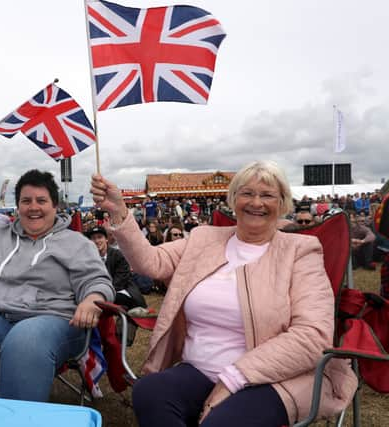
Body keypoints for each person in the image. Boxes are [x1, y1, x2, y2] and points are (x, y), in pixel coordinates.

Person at [91, 160, 357, 427]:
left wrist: (235, 377)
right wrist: (119, 212)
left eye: (267, 195)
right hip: (200, 369)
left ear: (283, 203)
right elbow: (150, 262)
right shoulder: (204, 239)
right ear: (233, 199)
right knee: (150, 392)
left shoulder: (301, 252)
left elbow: (312, 335)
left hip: (273, 379)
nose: (256, 202)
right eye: (247, 193)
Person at [0, 151, 114, 408]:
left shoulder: (75, 242)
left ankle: (14, 420)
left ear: (55, 205)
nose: (33, 207)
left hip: (55, 319)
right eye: (26, 200)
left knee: (25, 339)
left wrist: (93, 299)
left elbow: (96, 279)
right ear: (17, 206)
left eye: (42, 200)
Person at [85, 226, 146, 309]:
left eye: (100, 237)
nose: (97, 241)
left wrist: (103, 292)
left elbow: (120, 281)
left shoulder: (118, 255)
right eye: (93, 238)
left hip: (120, 290)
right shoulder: (88, 258)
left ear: (106, 239)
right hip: (98, 291)